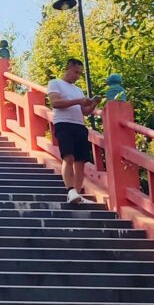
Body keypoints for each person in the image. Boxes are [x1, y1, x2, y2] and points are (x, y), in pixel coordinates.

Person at [47, 58, 97, 204]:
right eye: (75, 72)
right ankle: (70, 191)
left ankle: (78, 193)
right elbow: (55, 103)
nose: (77, 76)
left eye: (80, 74)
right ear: (67, 68)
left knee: (80, 161)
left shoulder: (78, 90)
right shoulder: (55, 83)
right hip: (63, 123)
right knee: (68, 157)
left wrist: (93, 104)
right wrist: (78, 101)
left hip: (79, 125)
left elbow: (85, 112)